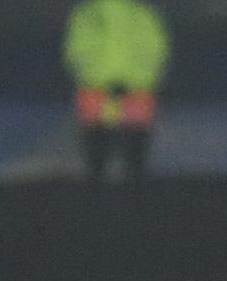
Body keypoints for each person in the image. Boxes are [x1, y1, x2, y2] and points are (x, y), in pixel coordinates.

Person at [61, 0, 161, 176]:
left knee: (126, 154)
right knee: (102, 152)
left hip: (127, 92)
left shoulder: (87, 15)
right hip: (105, 92)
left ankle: (114, 186)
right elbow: (76, 51)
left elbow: (155, 51)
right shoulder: (141, 15)